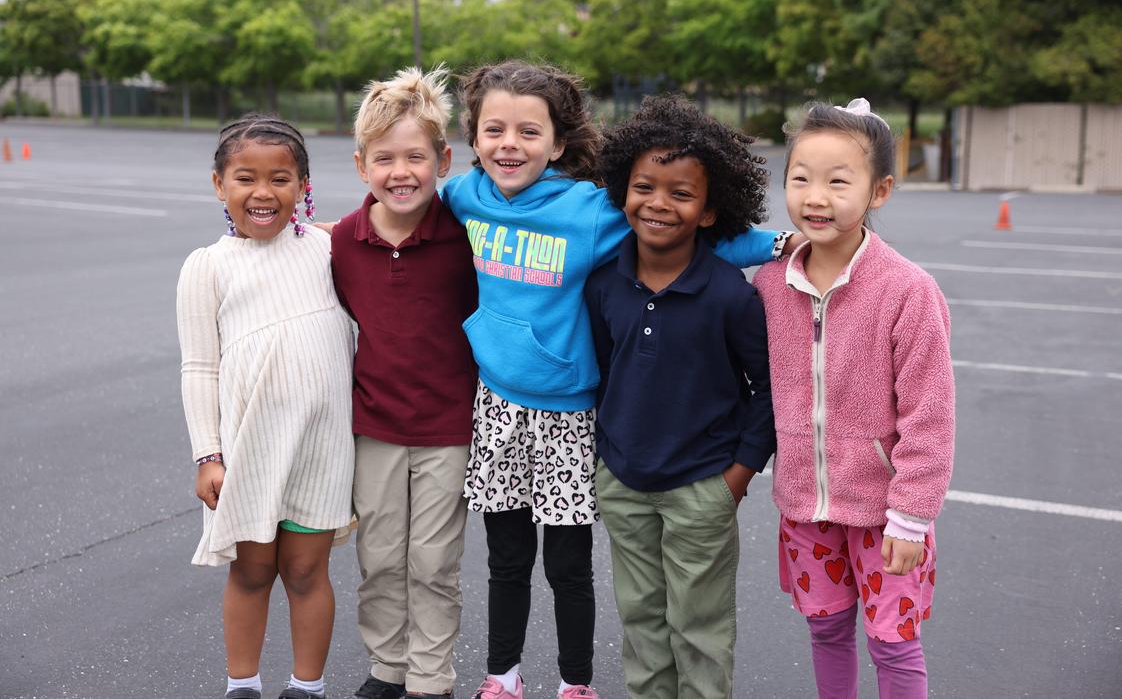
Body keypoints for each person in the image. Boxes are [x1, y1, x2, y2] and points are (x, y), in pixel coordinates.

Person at [439, 61, 793, 699]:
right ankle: (503, 676)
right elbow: (405, 210)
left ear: (558, 143)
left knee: (578, 569)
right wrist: (326, 233)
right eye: (494, 129)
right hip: (496, 404)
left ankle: (577, 683)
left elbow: (692, 232)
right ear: (474, 136)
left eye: (528, 130)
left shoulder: (591, 208)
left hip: (570, 414)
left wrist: (783, 245)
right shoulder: (464, 195)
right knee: (513, 560)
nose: (508, 144)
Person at [753, 99, 955, 699]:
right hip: (804, 506)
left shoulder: (907, 291)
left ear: (880, 191)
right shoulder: (769, 282)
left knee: (894, 642)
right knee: (828, 630)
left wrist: (912, 517)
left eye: (839, 182)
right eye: (800, 178)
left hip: (887, 511)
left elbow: (930, 416)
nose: (816, 196)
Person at [584, 95, 777, 699]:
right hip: (623, 481)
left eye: (681, 194)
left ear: (711, 210)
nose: (659, 204)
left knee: (699, 628)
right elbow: (606, 369)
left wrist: (738, 475)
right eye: (645, 186)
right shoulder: (603, 283)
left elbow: (766, 388)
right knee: (641, 622)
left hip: (702, 487)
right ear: (623, 191)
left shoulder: (730, 296)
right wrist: (605, 456)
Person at [176, 115, 355, 699]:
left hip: (320, 446)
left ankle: (308, 686)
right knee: (251, 570)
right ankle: (242, 684)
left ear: (303, 184)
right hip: (247, 449)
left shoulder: (332, 249)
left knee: (306, 571)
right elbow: (199, 367)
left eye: (280, 179)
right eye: (245, 178)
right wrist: (208, 453)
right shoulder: (207, 266)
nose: (262, 192)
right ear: (218, 184)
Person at [330, 67, 478, 699]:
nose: (401, 172)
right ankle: (387, 669)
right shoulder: (342, 241)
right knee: (382, 560)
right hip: (376, 428)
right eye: (384, 158)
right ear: (362, 166)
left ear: (443, 159)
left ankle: (429, 679)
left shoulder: (466, 238)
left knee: (434, 564)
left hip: (449, 426)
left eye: (416, 156)